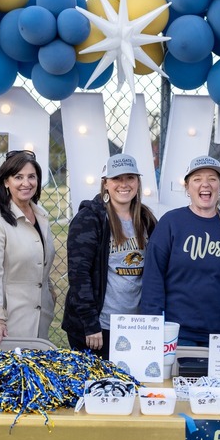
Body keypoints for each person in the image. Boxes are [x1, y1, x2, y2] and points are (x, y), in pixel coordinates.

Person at [62, 153, 157, 358]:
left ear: (138, 182)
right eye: (116, 178)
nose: (124, 184)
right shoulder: (89, 218)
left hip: (135, 325)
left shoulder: (146, 218)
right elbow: (79, 275)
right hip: (99, 327)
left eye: (130, 178)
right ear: (105, 184)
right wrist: (90, 324)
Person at [141, 156, 220, 345]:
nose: (205, 184)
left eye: (212, 178)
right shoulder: (171, 223)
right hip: (179, 332)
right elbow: (153, 279)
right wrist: (153, 326)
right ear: (187, 187)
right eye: (197, 179)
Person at [0, 150, 56, 345]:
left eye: (31, 177)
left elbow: (40, 260)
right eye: (18, 177)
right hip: (8, 325)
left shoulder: (42, 217)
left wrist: (50, 291)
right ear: (6, 181)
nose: (26, 183)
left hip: (39, 319)